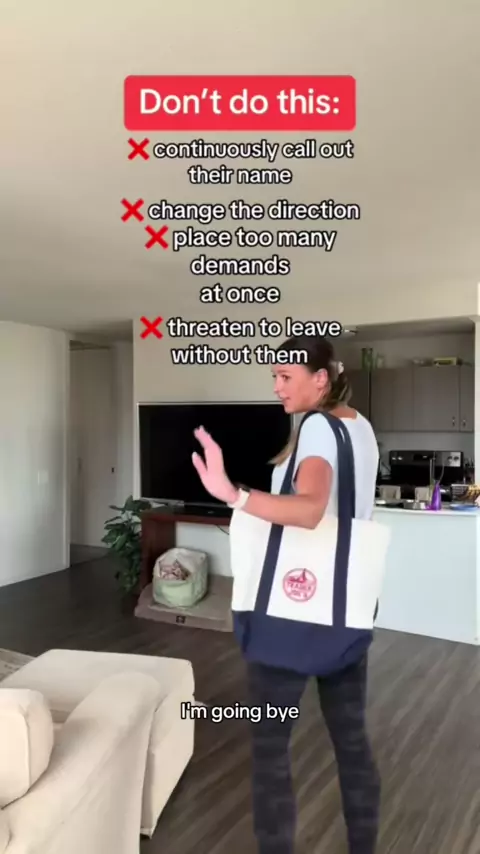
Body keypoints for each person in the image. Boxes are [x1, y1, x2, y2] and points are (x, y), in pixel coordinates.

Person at [191, 334, 381, 854]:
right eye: (273, 377)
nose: (276, 387)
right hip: (345, 608)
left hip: (292, 610)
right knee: (352, 742)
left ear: (320, 379)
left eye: (285, 376)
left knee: (271, 748)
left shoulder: (317, 428)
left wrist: (233, 494)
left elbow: (311, 509)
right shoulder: (360, 427)